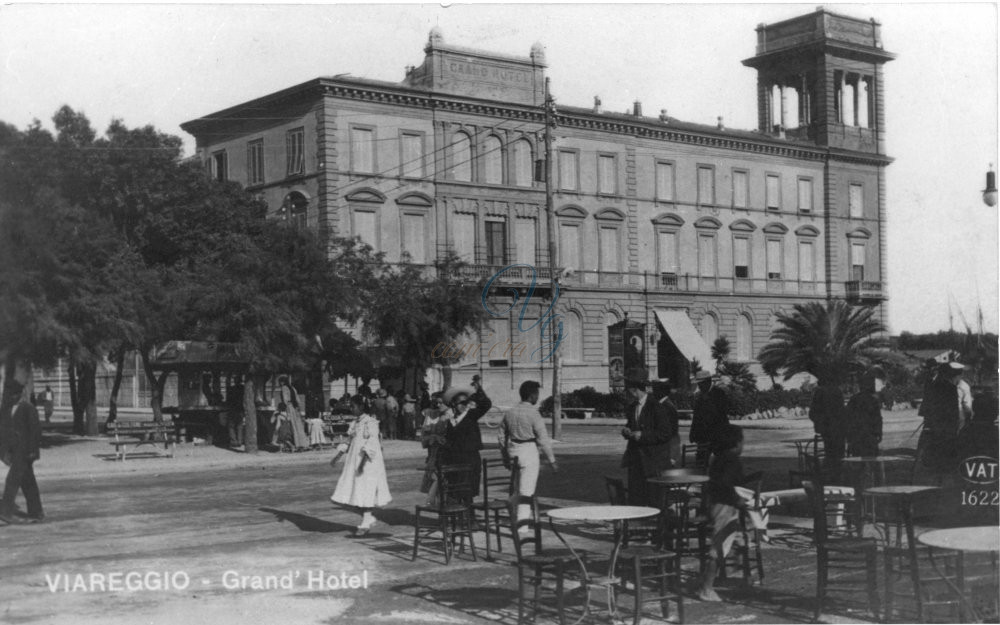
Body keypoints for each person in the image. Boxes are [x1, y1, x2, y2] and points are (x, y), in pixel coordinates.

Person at [697, 424, 764, 602]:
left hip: (718, 503)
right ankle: (706, 587)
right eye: (742, 441)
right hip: (726, 506)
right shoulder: (732, 460)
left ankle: (738, 578)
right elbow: (727, 485)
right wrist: (738, 500)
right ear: (735, 443)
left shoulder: (718, 458)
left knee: (735, 540)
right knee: (720, 545)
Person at [330, 395, 391, 536]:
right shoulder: (355, 423)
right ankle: (368, 518)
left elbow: (372, 444)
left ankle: (366, 521)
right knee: (353, 491)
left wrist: (362, 464)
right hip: (354, 460)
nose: (351, 409)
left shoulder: (371, 422)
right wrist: (337, 456)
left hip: (368, 463)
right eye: (350, 406)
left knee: (366, 490)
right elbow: (349, 441)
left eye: (353, 406)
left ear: (361, 407)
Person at [502, 380, 558, 524]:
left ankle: (514, 518)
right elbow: (543, 439)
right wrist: (552, 460)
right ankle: (522, 524)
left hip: (513, 450)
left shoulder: (509, 412)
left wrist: (504, 456)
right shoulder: (534, 414)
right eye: (537, 394)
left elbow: (501, 437)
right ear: (532, 395)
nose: (538, 397)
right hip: (529, 452)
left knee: (516, 487)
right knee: (526, 490)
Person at [620, 368, 673, 506]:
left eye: (628, 388)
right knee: (637, 500)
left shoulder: (656, 407)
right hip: (636, 461)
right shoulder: (632, 407)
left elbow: (665, 433)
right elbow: (631, 425)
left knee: (654, 500)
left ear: (634, 389)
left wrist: (643, 435)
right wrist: (627, 431)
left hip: (652, 463)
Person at [440, 376, 492, 503]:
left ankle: (470, 518)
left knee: (467, 492)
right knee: (455, 491)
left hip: (470, 460)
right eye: (461, 403)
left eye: (466, 403)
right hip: (455, 461)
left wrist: (479, 390)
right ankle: (460, 519)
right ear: (453, 404)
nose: (464, 405)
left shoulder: (471, 416)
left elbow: (486, 405)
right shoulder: (451, 421)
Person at [0, 381, 44, 524]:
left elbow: (35, 431)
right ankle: (36, 512)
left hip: (25, 451)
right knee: (28, 482)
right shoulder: (7, 409)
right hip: (15, 451)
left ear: (19, 394)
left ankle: (6, 512)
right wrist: (4, 452)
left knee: (12, 480)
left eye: (13, 394)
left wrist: (32, 451)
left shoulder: (27, 408)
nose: (10, 397)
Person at [916, 362, 966, 476]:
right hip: (946, 427)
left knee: (932, 452)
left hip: (932, 424)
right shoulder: (950, 388)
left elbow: (925, 408)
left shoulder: (931, 385)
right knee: (946, 454)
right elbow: (953, 412)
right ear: (951, 375)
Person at [690, 371, 730, 466]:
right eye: (698, 384)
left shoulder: (719, 393)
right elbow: (696, 416)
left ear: (708, 382)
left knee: (722, 463)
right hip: (703, 437)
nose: (699, 386)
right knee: (700, 463)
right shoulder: (699, 396)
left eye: (701, 384)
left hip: (717, 436)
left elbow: (720, 414)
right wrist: (693, 433)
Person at [810, 377, 846, 477]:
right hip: (839, 428)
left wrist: (819, 424)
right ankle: (839, 476)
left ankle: (830, 476)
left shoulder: (819, 392)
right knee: (839, 455)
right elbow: (842, 410)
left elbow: (813, 412)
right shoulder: (837, 391)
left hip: (826, 429)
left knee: (830, 453)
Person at [419, 393, 450, 502]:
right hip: (434, 452)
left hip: (446, 453)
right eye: (437, 402)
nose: (438, 404)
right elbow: (424, 436)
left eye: (441, 402)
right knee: (434, 477)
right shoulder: (432, 415)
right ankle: (436, 502)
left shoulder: (451, 416)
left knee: (444, 480)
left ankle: (440, 502)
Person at [845, 369, 883, 457]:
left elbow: (848, 417)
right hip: (870, 435)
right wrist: (879, 433)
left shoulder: (854, 399)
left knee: (858, 460)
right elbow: (878, 419)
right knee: (872, 459)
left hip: (857, 435)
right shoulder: (873, 400)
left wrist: (849, 436)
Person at [277, 376, 308, 451]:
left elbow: (285, 400)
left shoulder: (284, 388)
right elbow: (298, 400)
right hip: (295, 408)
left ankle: (293, 444)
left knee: (291, 426)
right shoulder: (293, 388)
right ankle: (301, 444)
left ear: (282, 382)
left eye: (280, 382)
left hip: (289, 407)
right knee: (298, 426)